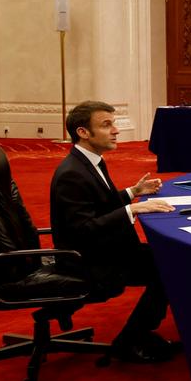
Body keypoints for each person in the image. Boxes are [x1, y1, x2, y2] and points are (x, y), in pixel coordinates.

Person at [50, 101, 180, 363]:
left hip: (107, 249)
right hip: (90, 260)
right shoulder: (71, 173)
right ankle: (131, 341)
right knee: (169, 267)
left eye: (114, 123)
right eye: (106, 125)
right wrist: (134, 210)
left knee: (170, 260)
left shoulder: (89, 161)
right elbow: (83, 229)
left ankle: (138, 334)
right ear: (83, 132)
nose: (116, 131)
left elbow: (99, 204)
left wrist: (133, 192)